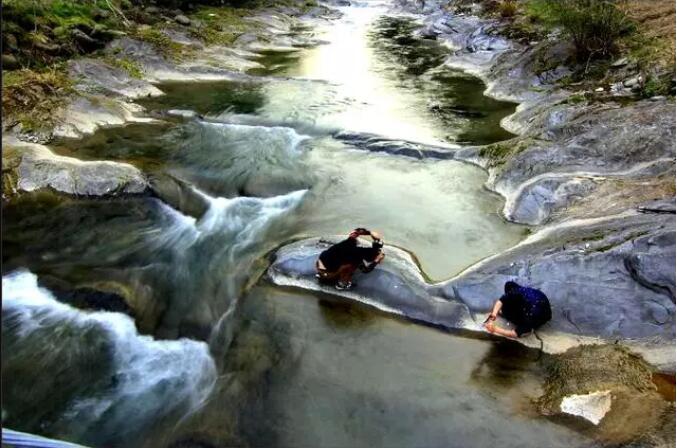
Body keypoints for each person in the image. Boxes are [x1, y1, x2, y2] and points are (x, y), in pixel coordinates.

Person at [316, 228, 385, 290]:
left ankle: (320, 275)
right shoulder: (358, 255)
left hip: (319, 266)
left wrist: (369, 232)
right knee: (351, 265)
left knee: (338, 257)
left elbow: (356, 231)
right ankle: (342, 284)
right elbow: (366, 270)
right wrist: (377, 260)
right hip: (329, 274)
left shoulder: (349, 241)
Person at [483, 281, 551, 338]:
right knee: (508, 286)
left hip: (540, 316)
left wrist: (495, 329)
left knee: (524, 328)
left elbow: (514, 334)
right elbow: (501, 301)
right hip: (541, 303)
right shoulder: (520, 291)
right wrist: (494, 314)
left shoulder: (530, 313)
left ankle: (528, 329)